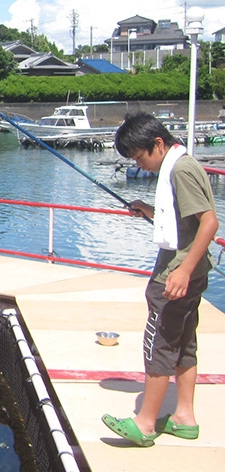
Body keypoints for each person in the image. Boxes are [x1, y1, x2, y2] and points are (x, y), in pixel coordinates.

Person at [102, 112, 218, 447]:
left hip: (177, 276)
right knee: (183, 345)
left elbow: (209, 223)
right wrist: (149, 211)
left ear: (157, 143)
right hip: (190, 273)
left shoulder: (180, 169)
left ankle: (145, 423)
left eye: (140, 157)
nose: (142, 165)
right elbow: (185, 220)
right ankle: (184, 416)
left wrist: (182, 270)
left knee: (159, 345)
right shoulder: (181, 164)